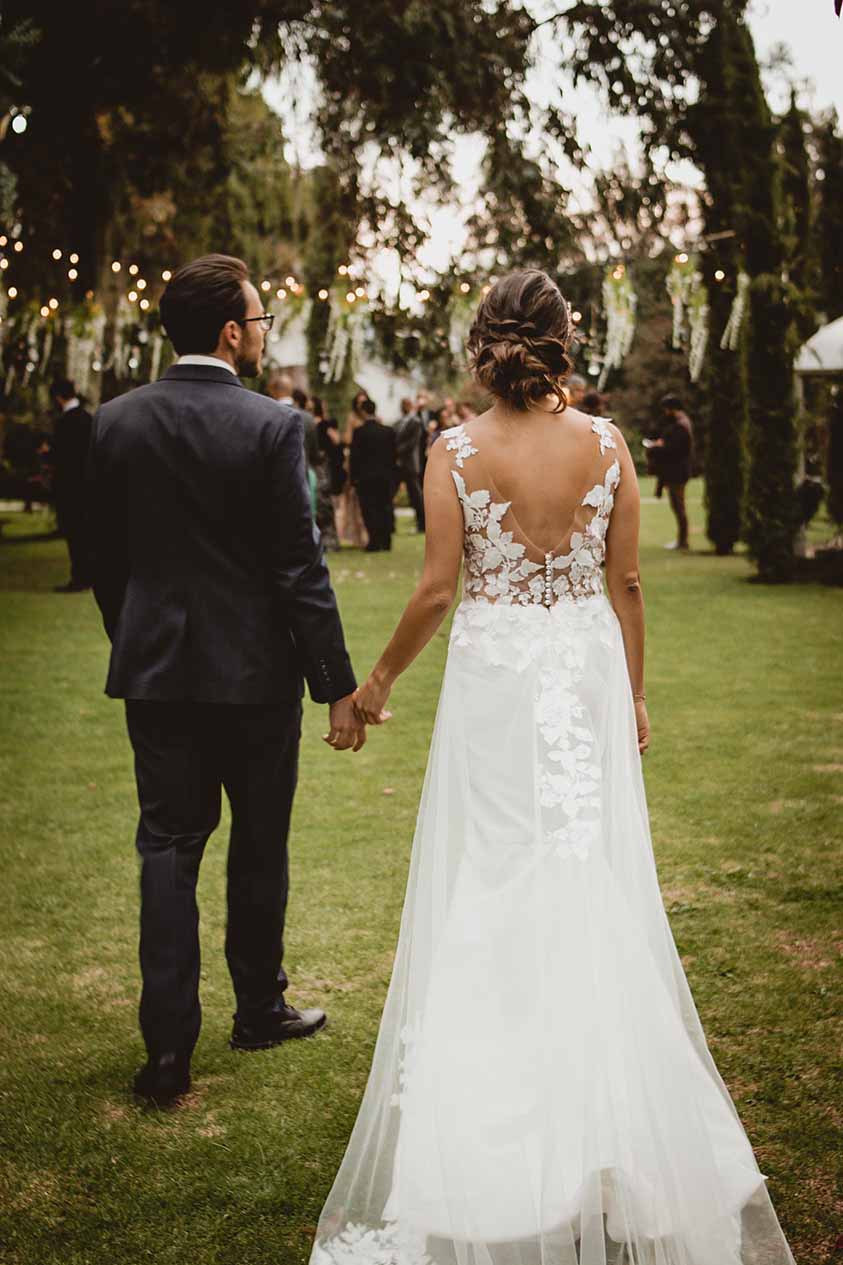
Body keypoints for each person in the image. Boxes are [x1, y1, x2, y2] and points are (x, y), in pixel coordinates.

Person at [309, 270, 795, 1265]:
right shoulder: (607, 445)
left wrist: (378, 681)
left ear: (483, 344)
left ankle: (495, 1145)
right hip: (582, 671)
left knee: (496, 871)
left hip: (495, 674)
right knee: (584, 868)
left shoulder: (455, 450)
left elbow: (437, 588)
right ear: (562, 340)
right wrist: (635, 693)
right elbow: (626, 581)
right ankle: (605, 1129)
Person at [88, 254, 365, 1107]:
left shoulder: (114, 422)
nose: (262, 333)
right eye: (259, 320)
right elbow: (298, 568)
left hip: (156, 673)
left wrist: (136, 636)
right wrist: (335, 683)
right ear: (230, 332)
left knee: (167, 847)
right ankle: (258, 1008)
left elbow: (103, 557)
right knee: (258, 840)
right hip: (255, 678)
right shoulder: (273, 425)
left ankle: (168, 1052)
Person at [49, 378, 93, 592]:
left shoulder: (66, 422)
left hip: (69, 486)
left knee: (75, 533)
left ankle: (80, 576)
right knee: (84, 532)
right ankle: (87, 574)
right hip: (87, 485)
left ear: (58, 398)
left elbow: (61, 457)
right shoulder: (88, 418)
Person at [350, 398, 397, 552]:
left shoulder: (359, 432)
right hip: (385, 476)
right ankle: (386, 540)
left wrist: (353, 478)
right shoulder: (388, 432)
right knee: (385, 507)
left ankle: (374, 540)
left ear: (363, 412)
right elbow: (394, 456)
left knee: (369, 509)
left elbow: (355, 457)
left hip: (366, 478)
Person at [651, 393, 694, 551]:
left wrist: (657, 447)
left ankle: (683, 541)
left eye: (666, 409)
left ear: (672, 409)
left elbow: (674, 450)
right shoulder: (682, 423)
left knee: (679, 507)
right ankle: (682, 540)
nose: (665, 413)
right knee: (677, 507)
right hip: (677, 471)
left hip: (677, 472)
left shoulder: (681, 426)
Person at [336, 390, 370, 548]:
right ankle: (357, 535)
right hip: (356, 460)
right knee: (354, 499)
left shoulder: (372, 418)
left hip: (369, 461)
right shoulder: (352, 418)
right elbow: (347, 438)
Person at [311, 395, 341, 551]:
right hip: (322, 468)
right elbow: (337, 441)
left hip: (320, 468)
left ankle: (326, 541)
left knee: (322, 505)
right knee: (324, 506)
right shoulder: (322, 424)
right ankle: (328, 541)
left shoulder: (319, 424)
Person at [393, 396, 427, 533]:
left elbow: (413, 442)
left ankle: (422, 524)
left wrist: (397, 451)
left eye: (407, 404)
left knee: (416, 495)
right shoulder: (398, 422)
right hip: (398, 464)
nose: (404, 407)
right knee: (391, 493)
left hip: (411, 463)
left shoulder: (416, 422)